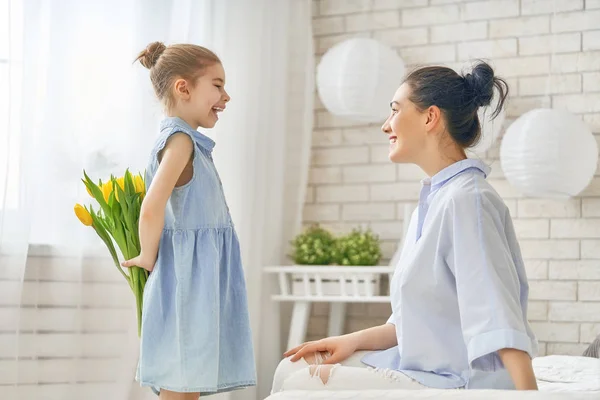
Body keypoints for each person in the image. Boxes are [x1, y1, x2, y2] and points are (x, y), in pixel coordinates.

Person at [272, 61, 539, 393]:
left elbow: (498, 314)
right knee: (292, 366)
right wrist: (349, 341)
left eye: (395, 110)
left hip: (459, 380)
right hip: (425, 366)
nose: (386, 125)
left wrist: (528, 394)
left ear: (430, 117)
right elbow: (415, 322)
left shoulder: (468, 200)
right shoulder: (430, 204)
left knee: (300, 384)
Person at [121, 42, 256, 400]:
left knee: (188, 378)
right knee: (180, 378)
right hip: (188, 280)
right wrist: (148, 257)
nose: (226, 96)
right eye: (217, 84)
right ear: (183, 88)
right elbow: (152, 207)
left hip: (199, 278)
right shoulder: (180, 141)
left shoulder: (189, 142)